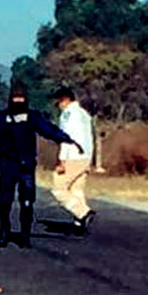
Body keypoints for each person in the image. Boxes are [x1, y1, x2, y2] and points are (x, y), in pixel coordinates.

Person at [0, 85, 82, 249]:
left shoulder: (33, 116)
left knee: (27, 202)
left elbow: (48, 129)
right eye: (15, 98)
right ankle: (4, 231)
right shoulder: (2, 117)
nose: (18, 101)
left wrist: (65, 139)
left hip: (26, 165)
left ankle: (25, 236)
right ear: (10, 98)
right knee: (4, 202)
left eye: (21, 98)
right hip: (7, 164)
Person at [51, 87, 97, 233]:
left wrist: (61, 160)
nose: (58, 105)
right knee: (76, 189)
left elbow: (65, 138)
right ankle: (79, 224)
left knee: (58, 189)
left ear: (64, 100)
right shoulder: (84, 114)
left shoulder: (68, 115)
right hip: (85, 156)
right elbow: (90, 137)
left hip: (73, 156)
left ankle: (83, 213)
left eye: (58, 102)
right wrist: (90, 159)